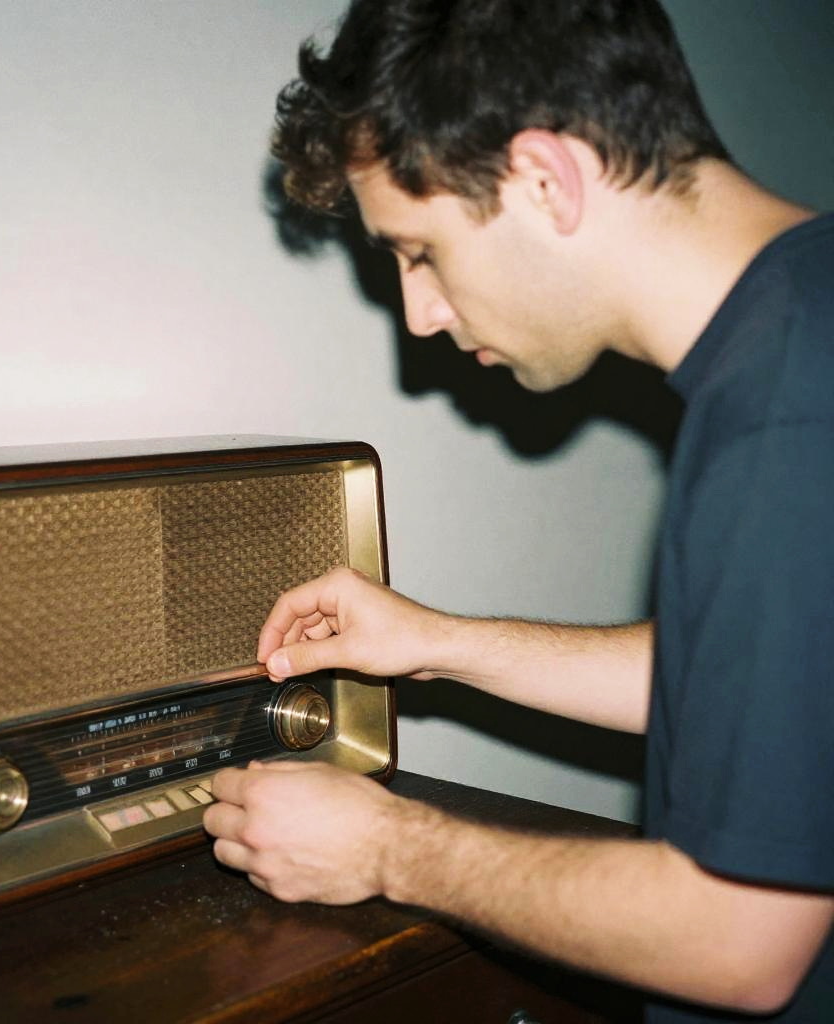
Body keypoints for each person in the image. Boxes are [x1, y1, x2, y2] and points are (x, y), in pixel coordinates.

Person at [201, 1, 834, 1020]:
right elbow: (764, 683)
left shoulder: (787, 420)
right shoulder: (809, 313)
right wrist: (440, 644)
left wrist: (383, 846)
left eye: (419, 251)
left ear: (545, 180)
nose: (420, 315)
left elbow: (736, 941)